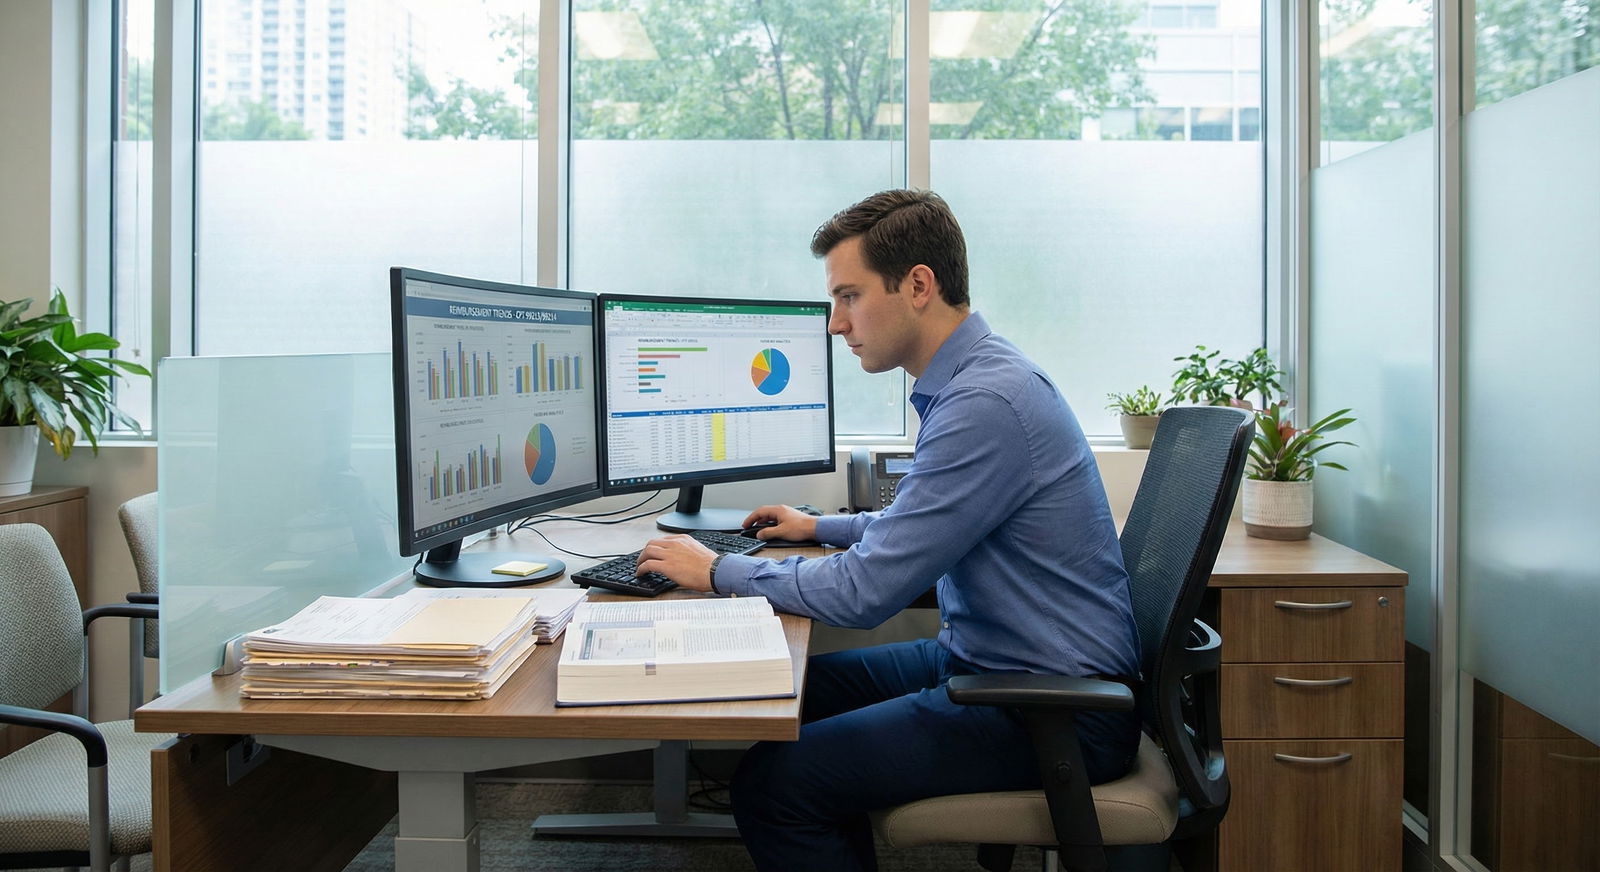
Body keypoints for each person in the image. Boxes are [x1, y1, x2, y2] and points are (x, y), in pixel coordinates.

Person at [633, 189, 1141, 871]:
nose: (837, 324)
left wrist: (717, 570)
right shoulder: (977, 379)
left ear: (919, 286)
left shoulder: (984, 403)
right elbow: (922, 521)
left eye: (849, 296)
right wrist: (820, 524)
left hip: (1052, 712)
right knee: (790, 692)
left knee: (774, 786)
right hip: (998, 666)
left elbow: (865, 594)